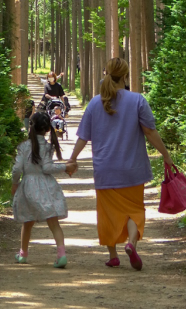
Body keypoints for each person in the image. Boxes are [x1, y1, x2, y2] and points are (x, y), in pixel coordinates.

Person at [66, 56, 172, 271]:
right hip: (133, 169)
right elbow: (150, 131)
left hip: (105, 170)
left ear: (106, 74)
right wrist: (165, 154)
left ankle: (113, 255)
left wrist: (73, 159)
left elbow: (83, 137)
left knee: (108, 214)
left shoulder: (95, 103)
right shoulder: (138, 100)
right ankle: (131, 243)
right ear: (125, 76)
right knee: (134, 210)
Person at [12, 112, 68, 268]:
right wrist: (65, 167)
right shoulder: (48, 147)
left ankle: (23, 254)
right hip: (47, 186)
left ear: (31, 126)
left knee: (27, 222)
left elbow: (17, 169)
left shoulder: (24, 147)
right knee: (54, 223)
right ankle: (61, 255)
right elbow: (47, 168)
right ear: (48, 129)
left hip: (28, 187)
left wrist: (14, 183)